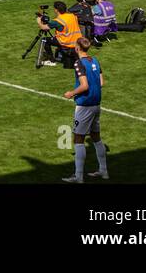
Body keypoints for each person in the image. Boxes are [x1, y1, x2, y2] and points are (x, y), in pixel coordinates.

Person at [62, 37, 108, 182]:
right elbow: (101, 82)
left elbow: (84, 85)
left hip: (84, 106)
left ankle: (78, 176)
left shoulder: (79, 63)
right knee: (96, 137)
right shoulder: (95, 60)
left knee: (78, 139)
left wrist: (71, 93)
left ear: (77, 48)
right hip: (96, 104)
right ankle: (103, 171)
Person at [37, 1, 82, 68]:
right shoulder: (72, 16)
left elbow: (44, 28)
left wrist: (39, 21)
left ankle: (51, 61)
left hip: (66, 42)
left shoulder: (58, 21)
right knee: (56, 37)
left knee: (44, 40)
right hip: (77, 42)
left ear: (56, 10)